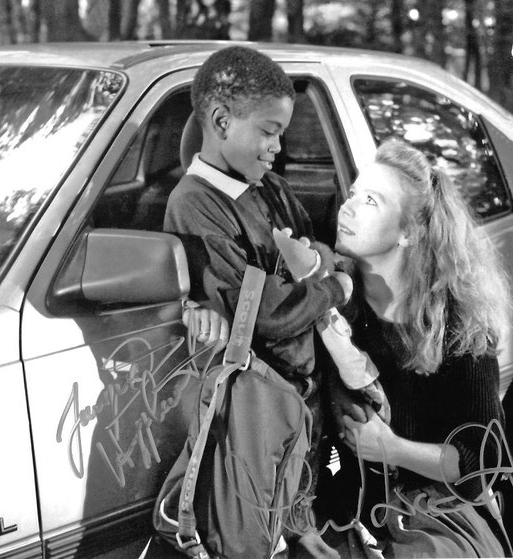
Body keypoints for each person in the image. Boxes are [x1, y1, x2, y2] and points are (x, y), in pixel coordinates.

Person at [163, 45, 349, 558]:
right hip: (256, 407)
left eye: (281, 134)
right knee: (253, 530)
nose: (276, 147)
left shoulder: (274, 188)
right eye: (268, 131)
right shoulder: (196, 204)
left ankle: (301, 527)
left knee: (299, 514)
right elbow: (269, 314)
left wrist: (314, 272)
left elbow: (319, 257)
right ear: (221, 121)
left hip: (304, 400)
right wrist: (333, 288)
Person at [323, 138, 513, 558]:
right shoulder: (333, 306)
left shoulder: (458, 325)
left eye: (371, 201)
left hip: (438, 514)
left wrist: (388, 447)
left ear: (408, 232)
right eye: (353, 194)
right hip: (347, 511)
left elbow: (481, 462)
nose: (348, 207)